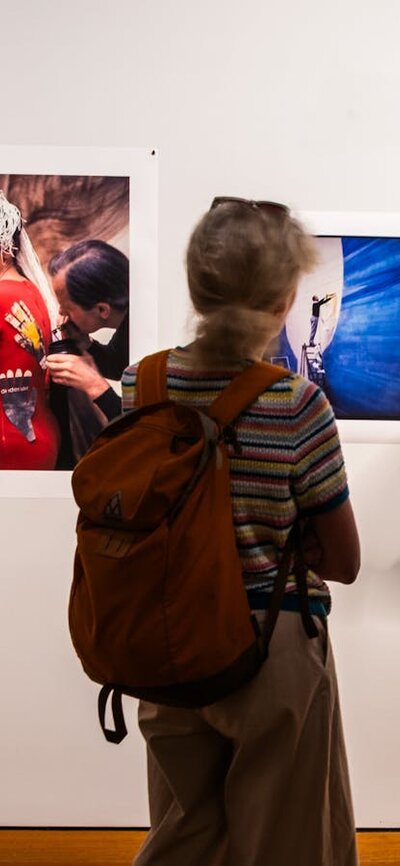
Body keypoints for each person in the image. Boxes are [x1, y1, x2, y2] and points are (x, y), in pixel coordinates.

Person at [121, 197, 361, 866]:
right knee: (286, 842)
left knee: (185, 834)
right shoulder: (296, 403)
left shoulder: (141, 386)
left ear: (198, 285)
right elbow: (342, 558)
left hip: (163, 641)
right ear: (287, 296)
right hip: (270, 641)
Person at [0, 190, 60, 470]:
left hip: (7, 442)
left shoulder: (2, 295)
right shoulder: (31, 291)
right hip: (35, 435)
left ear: (4, 250)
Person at [46, 240, 129, 422]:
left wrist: (95, 386)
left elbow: (141, 429)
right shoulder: (129, 320)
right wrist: (84, 343)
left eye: (67, 306)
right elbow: (120, 366)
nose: (61, 312)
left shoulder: (154, 335)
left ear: (102, 310)